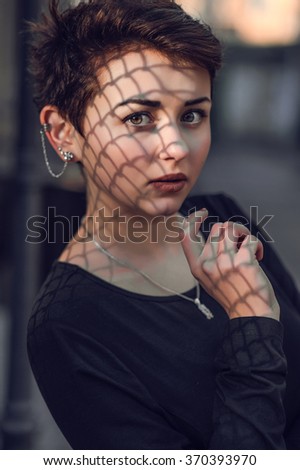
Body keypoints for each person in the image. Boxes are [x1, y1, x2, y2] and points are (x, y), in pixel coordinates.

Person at [27, 0, 300, 450]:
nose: (175, 146)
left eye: (192, 114)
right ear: (63, 132)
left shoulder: (221, 216)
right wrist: (250, 319)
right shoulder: (67, 326)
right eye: (138, 118)